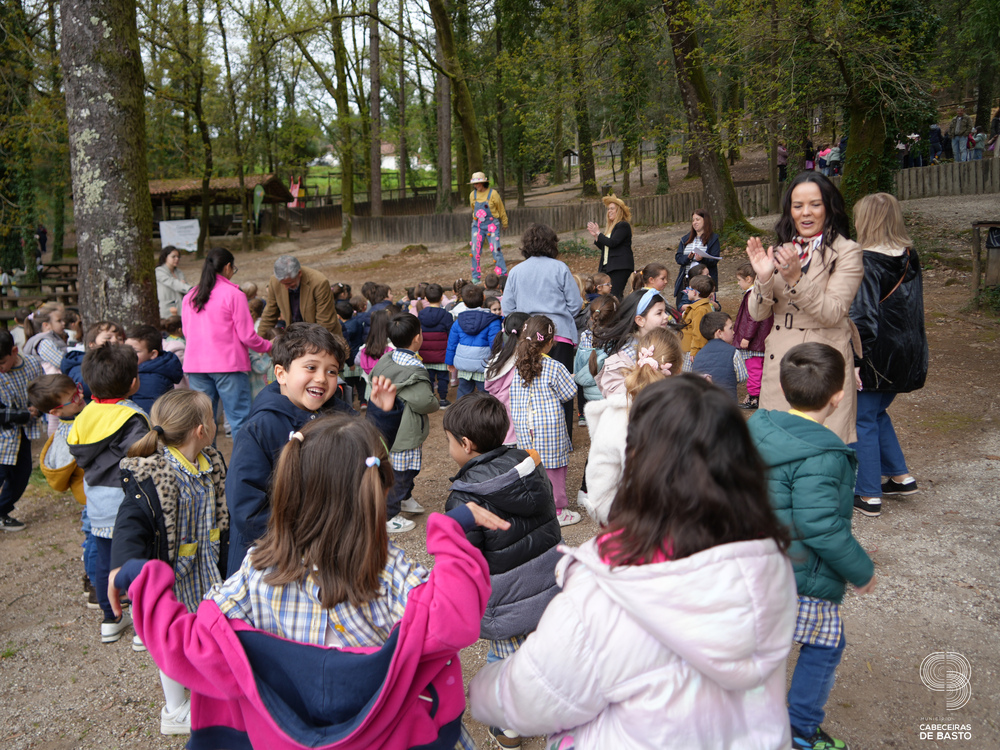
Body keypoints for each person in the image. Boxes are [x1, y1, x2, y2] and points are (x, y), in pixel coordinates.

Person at [109, 413, 509, 750]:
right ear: (378, 493)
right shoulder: (389, 571)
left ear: (288, 488)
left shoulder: (257, 570)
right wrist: (450, 531)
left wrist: (138, 578)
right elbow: (453, 618)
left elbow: (186, 642)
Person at [469, 375, 797, 749]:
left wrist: (483, 687)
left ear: (639, 462)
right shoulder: (768, 561)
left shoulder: (604, 593)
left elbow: (530, 698)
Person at [748, 343, 876, 750]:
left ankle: (747, 719)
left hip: (752, 567)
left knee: (759, 646)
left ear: (784, 388)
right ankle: (800, 729)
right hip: (800, 575)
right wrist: (861, 570)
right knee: (826, 643)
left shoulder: (758, 429)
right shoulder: (825, 454)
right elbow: (819, 525)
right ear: (838, 397)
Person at [225, 323, 401, 572]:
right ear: (281, 373)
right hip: (275, 559)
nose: (321, 378)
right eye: (311, 367)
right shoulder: (260, 429)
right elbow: (247, 507)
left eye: (332, 371)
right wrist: (300, 543)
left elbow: (366, 460)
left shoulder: (340, 415)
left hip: (330, 551)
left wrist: (381, 416)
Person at [442, 391, 562, 750]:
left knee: (506, 664)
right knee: (542, 651)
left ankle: (509, 728)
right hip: (548, 583)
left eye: (449, 441)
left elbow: (465, 560)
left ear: (466, 444)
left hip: (505, 601)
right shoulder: (528, 466)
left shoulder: (465, 497)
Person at [109, 389, 227, 735]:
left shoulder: (210, 463)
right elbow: (130, 523)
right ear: (202, 430)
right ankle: (174, 711)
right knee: (172, 641)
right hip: (175, 574)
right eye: (211, 418)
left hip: (207, 567)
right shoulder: (154, 474)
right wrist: (122, 565)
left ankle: (206, 690)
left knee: (206, 632)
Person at [745, 171, 863, 443]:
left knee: (821, 445)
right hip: (781, 362)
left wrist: (797, 279)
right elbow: (757, 314)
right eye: (798, 206)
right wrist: (764, 278)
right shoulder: (783, 249)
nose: (805, 213)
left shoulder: (848, 251)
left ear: (829, 207)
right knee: (777, 444)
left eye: (815, 204)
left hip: (822, 364)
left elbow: (833, 313)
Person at [848, 193, 927, 517]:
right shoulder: (910, 255)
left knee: (861, 418)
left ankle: (868, 494)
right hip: (909, 350)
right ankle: (899, 475)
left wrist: (855, 361)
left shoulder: (865, 261)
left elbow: (863, 318)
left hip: (877, 354)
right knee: (877, 412)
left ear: (866, 220)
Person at [67, 343, 150, 643]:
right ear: (133, 382)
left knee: (105, 561)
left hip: (97, 502)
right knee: (137, 560)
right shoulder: (131, 417)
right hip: (128, 503)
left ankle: (110, 618)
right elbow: (143, 457)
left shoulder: (85, 415)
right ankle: (142, 627)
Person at [583, 328, 681, 524]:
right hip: (673, 523)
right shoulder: (686, 412)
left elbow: (599, 484)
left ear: (636, 361)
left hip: (623, 518)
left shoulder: (615, 413)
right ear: (678, 370)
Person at [501, 223, 583, 438]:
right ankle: (564, 436)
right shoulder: (560, 268)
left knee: (528, 384)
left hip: (528, 336)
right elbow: (575, 304)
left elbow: (508, 309)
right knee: (563, 386)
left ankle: (533, 434)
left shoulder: (516, 271)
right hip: (559, 334)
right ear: (552, 243)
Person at [181, 247, 272, 439]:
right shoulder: (234, 294)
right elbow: (247, 336)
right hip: (228, 365)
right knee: (239, 419)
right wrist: (268, 346)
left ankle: (207, 458)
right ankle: (243, 458)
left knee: (203, 421)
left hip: (196, 365)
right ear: (228, 267)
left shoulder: (190, 296)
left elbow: (187, 333)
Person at [371, 313, 440, 534]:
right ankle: (389, 516)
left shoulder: (386, 359)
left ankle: (405, 498)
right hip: (405, 430)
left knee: (402, 470)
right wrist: (435, 402)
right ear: (417, 338)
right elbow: (425, 402)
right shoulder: (414, 370)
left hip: (386, 427)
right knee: (401, 475)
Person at [509, 316, 580, 527]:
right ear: (550, 342)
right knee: (554, 467)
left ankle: (536, 508)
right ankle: (557, 510)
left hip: (524, 425)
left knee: (532, 466)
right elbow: (569, 392)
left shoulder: (517, 365)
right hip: (548, 426)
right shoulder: (554, 366)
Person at [0, 330, 43, 532]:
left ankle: (2, 512)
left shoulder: (32, 365)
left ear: (14, 351)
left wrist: (38, 408)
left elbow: (42, 391)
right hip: (3, 434)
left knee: (21, 475)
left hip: (22, 435)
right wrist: (24, 414)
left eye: (2, 363)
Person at [594, 288, 671, 397]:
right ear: (640, 320)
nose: (666, 316)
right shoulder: (624, 358)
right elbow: (619, 396)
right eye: (659, 313)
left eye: (665, 311)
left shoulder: (666, 345)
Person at [256, 255, 341, 339]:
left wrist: (315, 344)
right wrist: (259, 341)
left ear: (299, 273)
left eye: (289, 283)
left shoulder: (319, 283)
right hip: (294, 334)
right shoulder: (274, 281)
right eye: (283, 284)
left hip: (320, 334)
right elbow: (269, 314)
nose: (286, 287)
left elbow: (325, 322)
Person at [447, 284, 502, 399]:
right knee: (485, 395)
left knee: (463, 392)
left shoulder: (458, 321)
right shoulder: (492, 321)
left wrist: (450, 361)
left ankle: (460, 410)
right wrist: (500, 362)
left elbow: (452, 343)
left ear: (464, 303)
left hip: (463, 365)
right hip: (483, 365)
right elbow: (495, 344)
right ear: (484, 298)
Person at [484, 313, 530, 448]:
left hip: (499, 423)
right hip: (520, 425)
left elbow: (489, 386)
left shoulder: (496, 360)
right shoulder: (526, 362)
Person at [733, 261, 773, 410]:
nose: (738, 283)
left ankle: (754, 397)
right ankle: (758, 394)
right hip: (760, 340)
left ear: (749, 279)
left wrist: (746, 337)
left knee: (753, 369)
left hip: (754, 342)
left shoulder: (752, 295)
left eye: (739, 280)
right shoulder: (760, 293)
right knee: (760, 368)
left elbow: (753, 318)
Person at [125, 325, 184, 413]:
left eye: (136, 351)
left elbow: (146, 410)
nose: (128, 354)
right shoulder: (150, 369)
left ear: (153, 354)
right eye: (126, 349)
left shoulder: (150, 378)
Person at [692, 312, 747, 401]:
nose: (733, 332)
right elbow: (742, 377)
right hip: (727, 401)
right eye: (730, 328)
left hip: (704, 403)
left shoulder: (698, 355)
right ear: (719, 333)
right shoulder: (734, 352)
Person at [587, 195, 634, 298]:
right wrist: (596, 236)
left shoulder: (623, 225)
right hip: (608, 266)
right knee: (604, 295)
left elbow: (613, 243)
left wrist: (599, 233)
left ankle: (618, 308)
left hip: (619, 266)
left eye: (612, 208)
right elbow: (606, 247)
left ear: (619, 211)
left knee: (614, 295)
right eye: (608, 209)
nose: (609, 211)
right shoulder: (611, 228)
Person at [673, 209, 721, 308]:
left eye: (697, 219)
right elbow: (678, 258)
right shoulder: (685, 239)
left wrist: (702, 259)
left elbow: (714, 260)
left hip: (704, 282)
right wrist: (688, 258)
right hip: (687, 279)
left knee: (704, 306)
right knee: (683, 306)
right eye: (693, 220)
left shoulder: (713, 239)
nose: (695, 222)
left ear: (705, 220)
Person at [469, 172, 509, 283]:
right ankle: (476, 277)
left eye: (478, 183)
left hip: (492, 225)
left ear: (483, 183)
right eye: (474, 184)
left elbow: (501, 208)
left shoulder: (493, 194)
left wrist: (505, 222)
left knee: (496, 250)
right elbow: (473, 208)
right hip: (477, 226)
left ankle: (503, 275)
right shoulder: (472, 195)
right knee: (475, 250)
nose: (476, 185)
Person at [418, 283, 453, 407]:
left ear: (426, 298)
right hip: (442, 354)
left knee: (429, 378)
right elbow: (450, 335)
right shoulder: (447, 316)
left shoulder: (421, 315)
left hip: (425, 354)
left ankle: (431, 398)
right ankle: (443, 399)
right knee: (443, 377)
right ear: (442, 297)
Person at [679, 275, 715, 364]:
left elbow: (698, 331)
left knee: (688, 372)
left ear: (694, 292)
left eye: (688, 289)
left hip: (691, 351)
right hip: (689, 348)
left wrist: (695, 350)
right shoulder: (700, 307)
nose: (687, 291)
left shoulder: (700, 310)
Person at [336, 300, 366, 408]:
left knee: (349, 383)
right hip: (359, 355)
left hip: (349, 357)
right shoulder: (358, 322)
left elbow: (346, 344)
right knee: (360, 381)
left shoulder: (342, 327)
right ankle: (363, 401)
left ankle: (351, 403)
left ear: (338, 316)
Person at [155, 246, 192, 318]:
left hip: (180, 309)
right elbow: (173, 283)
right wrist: (190, 288)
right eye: (173, 257)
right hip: (167, 310)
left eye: (178, 257)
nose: (176, 259)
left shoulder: (179, 272)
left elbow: (183, 288)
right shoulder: (159, 271)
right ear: (165, 257)